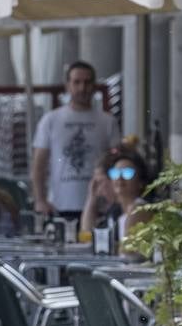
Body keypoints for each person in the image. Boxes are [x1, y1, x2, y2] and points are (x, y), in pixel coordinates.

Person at [30, 60, 120, 223]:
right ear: (67, 85)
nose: (82, 88)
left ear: (94, 85)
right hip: (60, 204)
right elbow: (38, 165)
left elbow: (116, 161)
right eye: (76, 82)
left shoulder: (108, 122)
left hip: (99, 205)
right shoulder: (50, 120)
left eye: (87, 82)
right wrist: (40, 200)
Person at [82, 145, 150, 252]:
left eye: (127, 173)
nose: (120, 178)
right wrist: (92, 197)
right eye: (115, 173)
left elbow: (127, 252)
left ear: (140, 182)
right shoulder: (118, 212)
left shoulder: (139, 208)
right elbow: (87, 235)